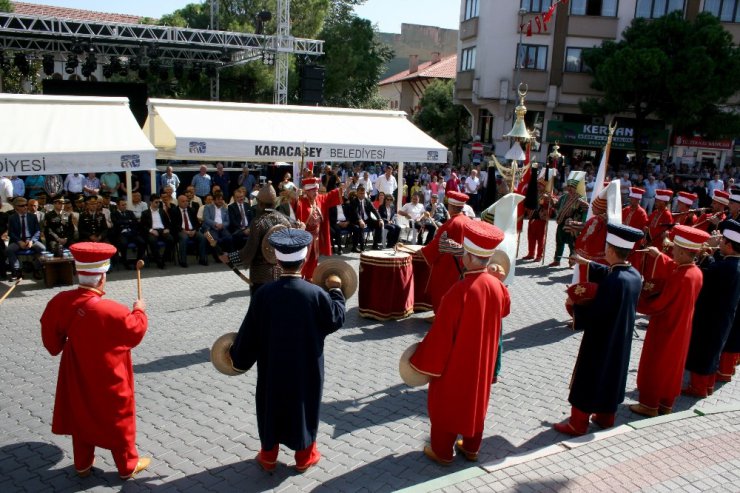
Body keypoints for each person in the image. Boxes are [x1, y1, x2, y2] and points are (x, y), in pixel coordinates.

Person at [229, 229, 346, 473]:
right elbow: (336, 317)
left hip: (272, 366)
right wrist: (336, 291)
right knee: (304, 404)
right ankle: (304, 457)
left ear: (278, 260)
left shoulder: (263, 294)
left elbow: (249, 333)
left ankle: (269, 455)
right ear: (303, 261)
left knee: (271, 404)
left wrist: (237, 358)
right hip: (306, 366)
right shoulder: (316, 294)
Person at [40, 242, 150, 480]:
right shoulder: (113, 310)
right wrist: (140, 310)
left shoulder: (60, 301)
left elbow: (51, 343)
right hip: (110, 371)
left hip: (75, 368)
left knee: (81, 411)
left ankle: (82, 464)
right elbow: (135, 332)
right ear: (102, 277)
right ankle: (126, 465)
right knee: (118, 415)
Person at [409, 220, 509, 464]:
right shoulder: (498, 286)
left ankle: (443, 451)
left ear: (471, 257)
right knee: (477, 400)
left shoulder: (458, 291)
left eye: (464, 252)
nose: (462, 256)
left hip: (457, 362)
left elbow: (440, 336)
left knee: (447, 402)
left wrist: (420, 360)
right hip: (483, 360)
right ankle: (472, 447)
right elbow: (504, 309)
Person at [554, 223, 644, 436]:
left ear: (612, 250)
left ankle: (577, 423)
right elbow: (612, 272)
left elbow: (594, 314)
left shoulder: (613, 282)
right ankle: (605, 417)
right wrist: (588, 264)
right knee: (612, 376)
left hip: (601, 339)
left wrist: (573, 304)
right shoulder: (633, 275)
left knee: (588, 377)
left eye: (606, 247)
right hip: (620, 339)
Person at [631, 226, 709, 417]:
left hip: (665, 327)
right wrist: (659, 255)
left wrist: (637, 303)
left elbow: (659, 305)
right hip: (681, 327)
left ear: (683, 252)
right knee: (672, 366)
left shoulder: (679, 276)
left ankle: (649, 404)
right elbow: (674, 266)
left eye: (675, 249)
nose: (672, 251)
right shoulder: (695, 271)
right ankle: (666, 403)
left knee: (656, 363)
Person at [683, 219, 740, 397]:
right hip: (723, 316)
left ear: (729, 246)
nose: (719, 243)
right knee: (713, 350)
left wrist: (706, 255)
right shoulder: (732, 264)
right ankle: (706, 386)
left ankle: (698, 388)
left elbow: (705, 276)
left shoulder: (725, 267)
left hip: (711, 317)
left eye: (722, 241)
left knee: (704, 350)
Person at [417, 191, 471, 320]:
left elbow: (437, 244)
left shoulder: (450, 224)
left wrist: (423, 251)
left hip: (448, 263)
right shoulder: (468, 220)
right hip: (464, 262)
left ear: (451, 207)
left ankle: (440, 315)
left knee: (441, 288)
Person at [293, 177, 344, 281]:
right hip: (303, 238)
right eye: (313, 190)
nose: (316, 192)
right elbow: (292, 211)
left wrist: (342, 188)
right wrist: (295, 198)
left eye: (317, 190)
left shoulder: (319, 199)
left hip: (316, 238)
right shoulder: (300, 201)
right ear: (307, 191)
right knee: (303, 259)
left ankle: (309, 278)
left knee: (314, 259)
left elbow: (330, 197)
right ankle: (297, 280)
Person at [548, 174, 587, 267]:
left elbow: (586, 210)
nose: (569, 189)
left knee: (572, 244)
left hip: (572, 225)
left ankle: (572, 262)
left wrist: (583, 205)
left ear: (576, 188)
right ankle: (557, 260)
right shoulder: (564, 197)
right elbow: (556, 205)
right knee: (559, 241)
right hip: (561, 222)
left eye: (572, 187)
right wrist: (551, 199)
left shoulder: (580, 198)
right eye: (568, 186)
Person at [6, 197, 45, 280]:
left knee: (42, 248)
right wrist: (19, 242)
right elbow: (11, 233)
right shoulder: (12, 218)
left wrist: (32, 241)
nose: (25, 207)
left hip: (31, 239)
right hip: (18, 240)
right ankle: (16, 270)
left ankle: (37, 269)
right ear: (16, 207)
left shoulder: (32, 217)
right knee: (9, 249)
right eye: (22, 205)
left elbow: (37, 231)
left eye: (26, 205)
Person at [172, 194, 208, 267]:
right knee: (184, 238)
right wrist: (184, 231)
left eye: (187, 201)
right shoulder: (174, 211)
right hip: (181, 231)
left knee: (202, 237)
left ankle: (202, 259)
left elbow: (197, 223)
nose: (186, 203)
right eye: (183, 201)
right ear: (178, 202)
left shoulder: (191, 210)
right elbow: (174, 225)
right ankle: (183, 261)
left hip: (192, 230)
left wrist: (194, 230)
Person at [140, 194, 175, 269]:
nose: (158, 204)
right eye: (156, 202)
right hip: (152, 230)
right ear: (151, 202)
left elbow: (168, 223)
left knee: (171, 239)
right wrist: (151, 230)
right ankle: (159, 261)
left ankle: (164, 259)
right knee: (152, 241)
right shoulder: (145, 213)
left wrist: (167, 229)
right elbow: (143, 226)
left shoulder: (162, 211)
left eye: (159, 202)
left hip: (162, 230)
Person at [110, 199, 146, 270]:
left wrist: (124, 222)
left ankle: (137, 261)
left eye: (125, 205)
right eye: (122, 205)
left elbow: (135, 223)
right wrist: (128, 221)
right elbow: (116, 223)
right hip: (121, 234)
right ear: (118, 206)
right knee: (124, 244)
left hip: (131, 232)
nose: (124, 206)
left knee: (142, 242)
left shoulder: (130, 212)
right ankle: (125, 262)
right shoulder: (114, 213)